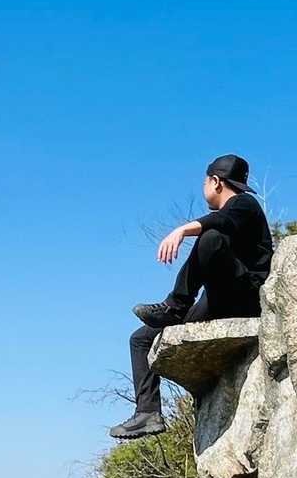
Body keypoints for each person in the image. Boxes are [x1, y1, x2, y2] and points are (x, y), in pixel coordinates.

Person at [110, 154, 273, 439]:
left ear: (215, 181)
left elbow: (220, 221)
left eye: (205, 182)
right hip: (219, 300)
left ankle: (174, 306)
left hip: (247, 296)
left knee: (210, 236)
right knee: (141, 339)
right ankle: (148, 413)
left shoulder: (245, 204)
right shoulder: (233, 212)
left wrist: (182, 229)